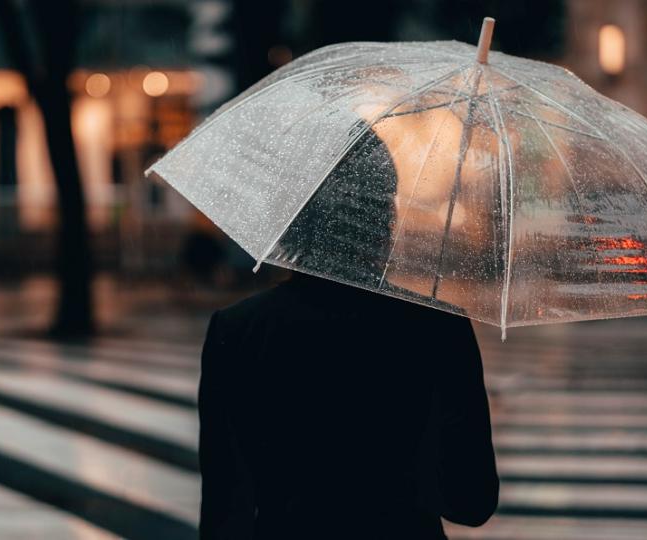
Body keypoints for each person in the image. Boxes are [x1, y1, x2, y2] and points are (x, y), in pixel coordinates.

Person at [197, 124, 498, 539]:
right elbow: (470, 501)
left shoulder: (238, 331)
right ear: (385, 216)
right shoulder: (437, 328)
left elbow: (224, 511)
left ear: (296, 216)